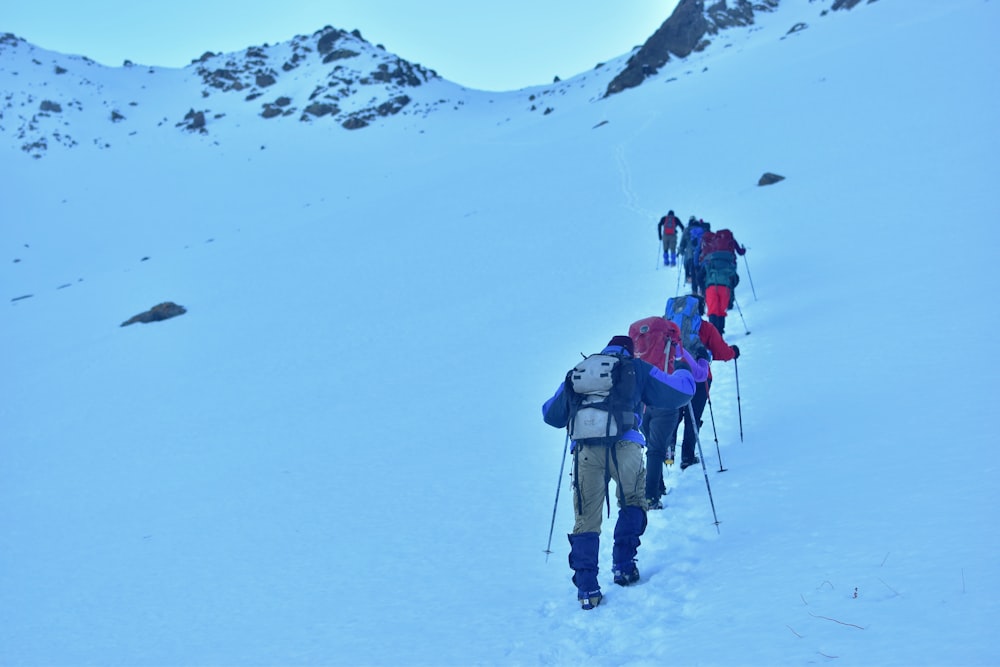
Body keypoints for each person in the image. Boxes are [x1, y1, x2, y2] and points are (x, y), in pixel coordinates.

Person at [542, 335, 696, 610]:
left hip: (585, 452)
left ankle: (587, 589)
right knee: (633, 502)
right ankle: (623, 566)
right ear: (630, 351)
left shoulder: (580, 372)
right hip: (626, 446)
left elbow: (550, 414)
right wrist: (683, 368)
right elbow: (679, 393)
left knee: (586, 519)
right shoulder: (636, 368)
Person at [670, 295, 740, 469]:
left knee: (674, 414)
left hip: (673, 376)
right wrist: (733, 352)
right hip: (699, 378)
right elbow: (722, 352)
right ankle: (687, 456)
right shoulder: (705, 327)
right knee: (694, 416)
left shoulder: (671, 328)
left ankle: (667, 451)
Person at [642, 338, 708, 509]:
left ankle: (659, 486)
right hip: (665, 404)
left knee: (652, 448)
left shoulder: (642, 349)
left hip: (642, 405)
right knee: (656, 449)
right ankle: (651, 497)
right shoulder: (676, 349)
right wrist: (703, 359)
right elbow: (700, 375)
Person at [700, 229, 747, 334]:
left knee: (713, 311)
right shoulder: (730, 241)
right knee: (721, 311)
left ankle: (714, 335)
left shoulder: (713, 253)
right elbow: (740, 252)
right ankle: (720, 332)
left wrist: (703, 289)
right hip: (726, 283)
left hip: (711, 286)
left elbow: (701, 275)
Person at [679, 218, 710, 293]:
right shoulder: (702, 229)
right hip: (702, 255)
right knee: (702, 273)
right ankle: (703, 291)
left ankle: (694, 292)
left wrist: (681, 251)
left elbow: (682, 243)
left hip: (690, 255)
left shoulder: (687, 230)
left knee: (693, 273)